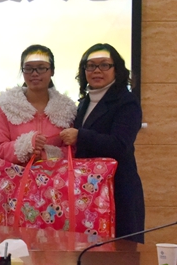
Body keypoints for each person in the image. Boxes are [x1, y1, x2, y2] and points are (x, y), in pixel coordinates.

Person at [60, 43, 144, 242]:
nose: (97, 70)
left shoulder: (127, 101)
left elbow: (120, 144)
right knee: (87, 251)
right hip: (88, 191)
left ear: (117, 69)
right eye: (91, 66)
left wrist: (80, 136)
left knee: (121, 251)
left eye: (104, 65)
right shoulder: (84, 103)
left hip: (118, 189)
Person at [0, 45, 77, 164]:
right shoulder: (7, 106)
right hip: (17, 175)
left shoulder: (66, 109)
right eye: (28, 68)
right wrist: (26, 145)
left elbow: (73, 150)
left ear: (52, 71)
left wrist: (46, 154)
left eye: (41, 68)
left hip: (55, 175)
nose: (35, 73)